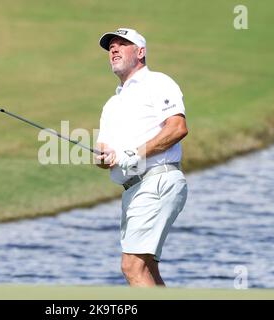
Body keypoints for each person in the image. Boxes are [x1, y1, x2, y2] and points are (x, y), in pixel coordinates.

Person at [95, 28, 188, 287]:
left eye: (122, 44)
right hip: (132, 190)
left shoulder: (157, 83)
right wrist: (104, 158)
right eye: (111, 46)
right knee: (147, 269)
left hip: (157, 181)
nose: (114, 49)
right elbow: (103, 152)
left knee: (132, 266)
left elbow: (177, 128)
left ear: (141, 52)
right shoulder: (112, 104)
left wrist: (133, 154)